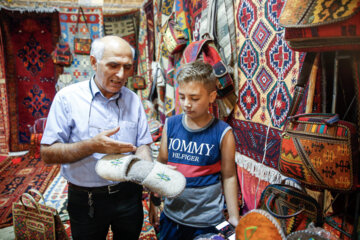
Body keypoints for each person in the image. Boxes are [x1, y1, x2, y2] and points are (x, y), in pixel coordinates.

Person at [40, 36, 153, 240]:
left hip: (129, 195)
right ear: (94, 62)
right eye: (113, 65)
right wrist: (92, 145)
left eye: (127, 67)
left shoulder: (133, 100)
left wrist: (150, 174)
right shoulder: (67, 99)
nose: (121, 74)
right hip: (86, 199)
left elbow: (143, 144)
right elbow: (47, 153)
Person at [152, 61, 239, 239]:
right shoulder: (171, 124)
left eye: (194, 98)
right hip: (172, 216)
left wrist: (235, 218)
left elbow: (229, 176)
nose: (186, 104)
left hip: (209, 221)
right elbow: (161, 163)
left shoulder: (223, 133)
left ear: (212, 96)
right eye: (182, 96)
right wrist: (154, 200)